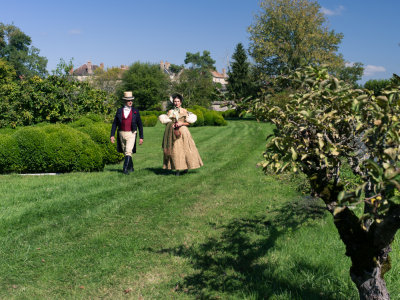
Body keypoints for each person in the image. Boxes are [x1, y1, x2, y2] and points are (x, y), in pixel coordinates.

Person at [159, 93, 203, 175]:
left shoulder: (185, 111)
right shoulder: (170, 112)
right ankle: (177, 169)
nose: (176, 103)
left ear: (181, 102)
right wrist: (171, 124)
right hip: (172, 132)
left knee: (186, 150)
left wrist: (181, 123)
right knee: (175, 150)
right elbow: (166, 121)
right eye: (175, 101)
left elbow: (188, 123)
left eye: (178, 101)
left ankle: (186, 166)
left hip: (183, 131)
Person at [110, 91, 144, 174]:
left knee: (128, 150)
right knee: (126, 152)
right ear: (125, 101)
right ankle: (131, 167)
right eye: (129, 100)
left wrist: (141, 137)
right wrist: (112, 135)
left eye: (131, 100)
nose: (130, 102)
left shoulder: (135, 111)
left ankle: (124, 169)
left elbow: (140, 124)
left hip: (132, 133)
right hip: (121, 133)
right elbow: (115, 123)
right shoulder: (119, 111)